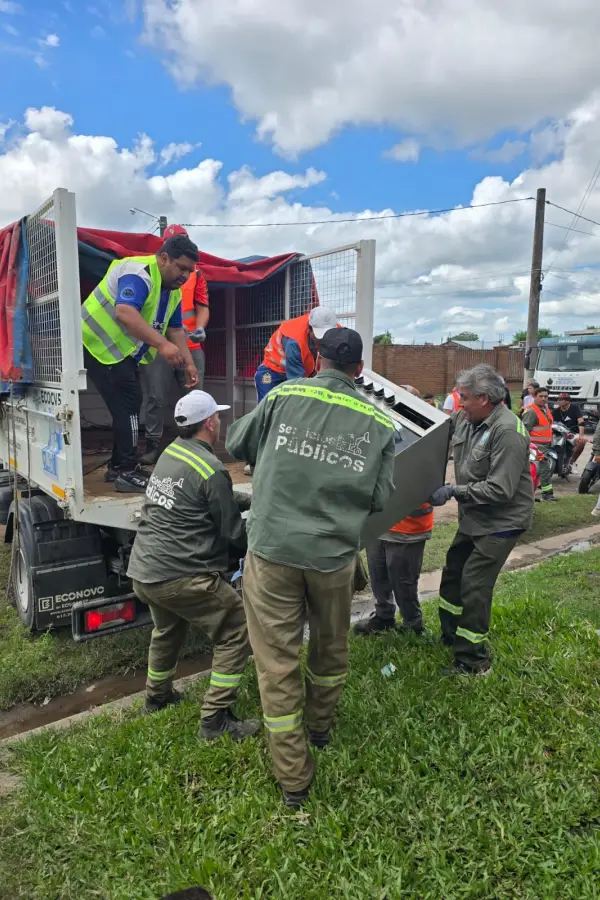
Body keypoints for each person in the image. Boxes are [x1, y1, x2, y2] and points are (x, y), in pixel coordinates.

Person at [226, 327, 395, 808]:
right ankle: (319, 727)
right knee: (330, 645)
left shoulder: (284, 396)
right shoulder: (379, 422)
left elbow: (237, 442)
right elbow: (380, 498)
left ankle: (294, 781)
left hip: (272, 552)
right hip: (332, 558)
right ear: (359, 369)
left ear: (317, 360)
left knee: (276, 662)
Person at [127, 390, 258, 741]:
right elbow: (233, 532)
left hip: (145, 571)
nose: (220, 421)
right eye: (218, 417)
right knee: (236, 628)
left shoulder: (172, 453)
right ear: (210, 423)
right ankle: (215, 719)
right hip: (181, 576)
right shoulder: (212, 468)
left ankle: (157, 697)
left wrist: (248, 498)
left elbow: (202, 494)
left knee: (167, 630)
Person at [429, 364, 534, 676]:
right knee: (453, 573)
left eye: (464, 397)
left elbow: (501, 489)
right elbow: (434, 430)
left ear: (484, 398)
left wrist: (453, 490)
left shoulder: (508, 431)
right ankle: (452, 636)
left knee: (474, 582)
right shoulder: (466, 418)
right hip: (474, 516)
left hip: (502, 521)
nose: (459, 403)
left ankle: (473, 661)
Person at [81, 235, 200, 493]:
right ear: (164, 258)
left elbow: (176, 330)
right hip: (97, 343)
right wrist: (162, 345)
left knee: (128, 405)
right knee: (129, 403)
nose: (185, 276)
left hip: (118, 352)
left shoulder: (172, 292)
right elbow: (125, 312)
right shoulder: (140, 273)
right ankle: (126, 470)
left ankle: (119, 467)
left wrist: (189, 364)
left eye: (190, 271)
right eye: (181, 268)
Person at [140, 224, 210, 465]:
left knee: (196, 396)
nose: (184, 273)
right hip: (158, 346)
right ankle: (152, 446)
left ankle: (195, 445)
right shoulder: (152, 271)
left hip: (190, 345)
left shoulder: (196, 273)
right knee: (155, 397)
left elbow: (203, 306)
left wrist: (200, 327)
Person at [354, 501, 433, 636]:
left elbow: (434, 492)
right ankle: (384, 617)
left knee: (404, 583)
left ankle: (413, 624)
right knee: (378, 577)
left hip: (408, 527)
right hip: (377, 523)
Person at [254, 306, 338, 402]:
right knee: (269, 404)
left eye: (326, 336)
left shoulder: (335, 330)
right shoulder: (294, 342)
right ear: (309, 329)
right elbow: (297, 385)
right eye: (318, 336)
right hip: (273, 371)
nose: (322, 340)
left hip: (300, 370)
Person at [522, 386, 558, 501]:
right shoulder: (531, 411)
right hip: (536, 446)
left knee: (542, 470)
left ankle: (539, 494)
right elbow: (524, 431)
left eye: (546, 396)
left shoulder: (545, 409)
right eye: (540, 396)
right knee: (544, 469)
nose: (543, 399)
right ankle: (547, 494)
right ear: (534, 397)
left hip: (545, 445)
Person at [552, 392, 586, 469]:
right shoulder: (555, 411)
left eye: (560, 399)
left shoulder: (575, 408)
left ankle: (571, 463)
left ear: (567, 401)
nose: (558, 401)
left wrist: (581, 436)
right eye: (557, 399)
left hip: (572, 433)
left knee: (581, 443)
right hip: (559, 434)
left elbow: (581, 422)